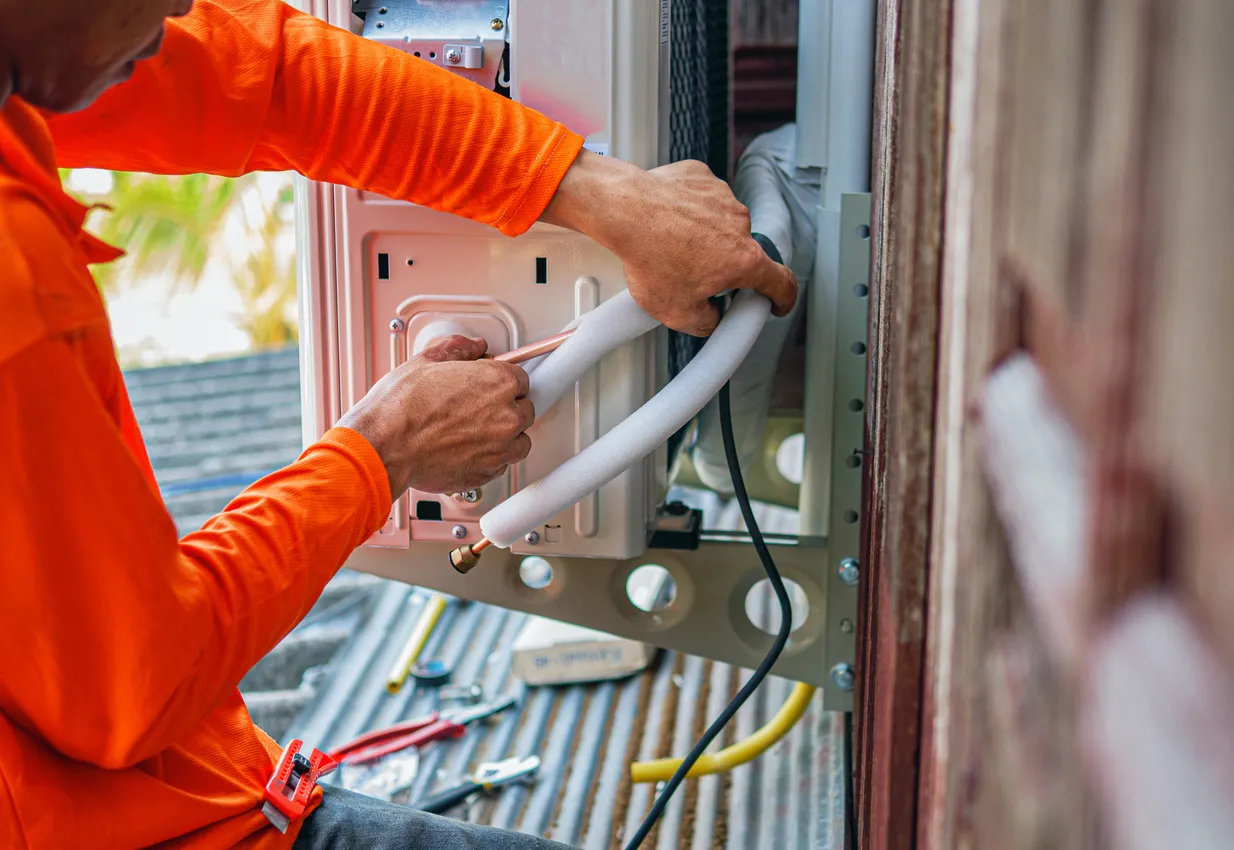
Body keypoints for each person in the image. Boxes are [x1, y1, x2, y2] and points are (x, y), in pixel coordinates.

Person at [0, 0, 797, 847]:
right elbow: (131, 684)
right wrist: (382, 451)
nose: (180, 6)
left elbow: (268, 80)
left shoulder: (46, 48)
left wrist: (596, 193)